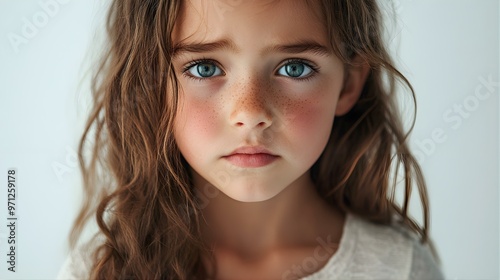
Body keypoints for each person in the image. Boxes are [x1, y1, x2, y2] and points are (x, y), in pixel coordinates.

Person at [59, 0, 445, 279]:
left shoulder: (398, 269)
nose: (250, 112)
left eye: (295, 68)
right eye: (204, 67)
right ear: (151, 86)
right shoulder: (101, 270)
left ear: (349, 83)